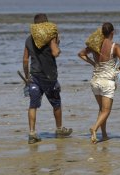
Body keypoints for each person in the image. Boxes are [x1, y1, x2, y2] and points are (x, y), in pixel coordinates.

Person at [23, 13, 72, 144]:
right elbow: (55, 53)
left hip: (34, 77)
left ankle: (32, 133)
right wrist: (57, 43)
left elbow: (25, 59)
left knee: (33, 105)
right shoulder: (51, 37)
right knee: (56, 104)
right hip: (49, 78)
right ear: (46, 24)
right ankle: (59, 129)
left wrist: (27, 77)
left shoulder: (29, 39)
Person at [78, 22, 120, 144]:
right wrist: (119, 69)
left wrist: (93, 63)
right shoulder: (115, 46)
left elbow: (81, 54)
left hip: (95, 81)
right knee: (106, 110)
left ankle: (104, 135)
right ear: (112, 33)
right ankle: (94, 128)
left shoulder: (96, 45)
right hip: (107, 82)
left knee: (101, 109)